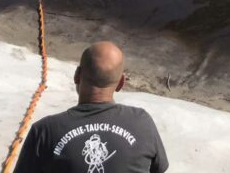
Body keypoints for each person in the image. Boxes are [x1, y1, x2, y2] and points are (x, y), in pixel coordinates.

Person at [13, 41, 168, 173]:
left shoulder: (44, 132)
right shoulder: (142, 122)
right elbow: (158, 168)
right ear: (121, 83)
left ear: (77, 75)